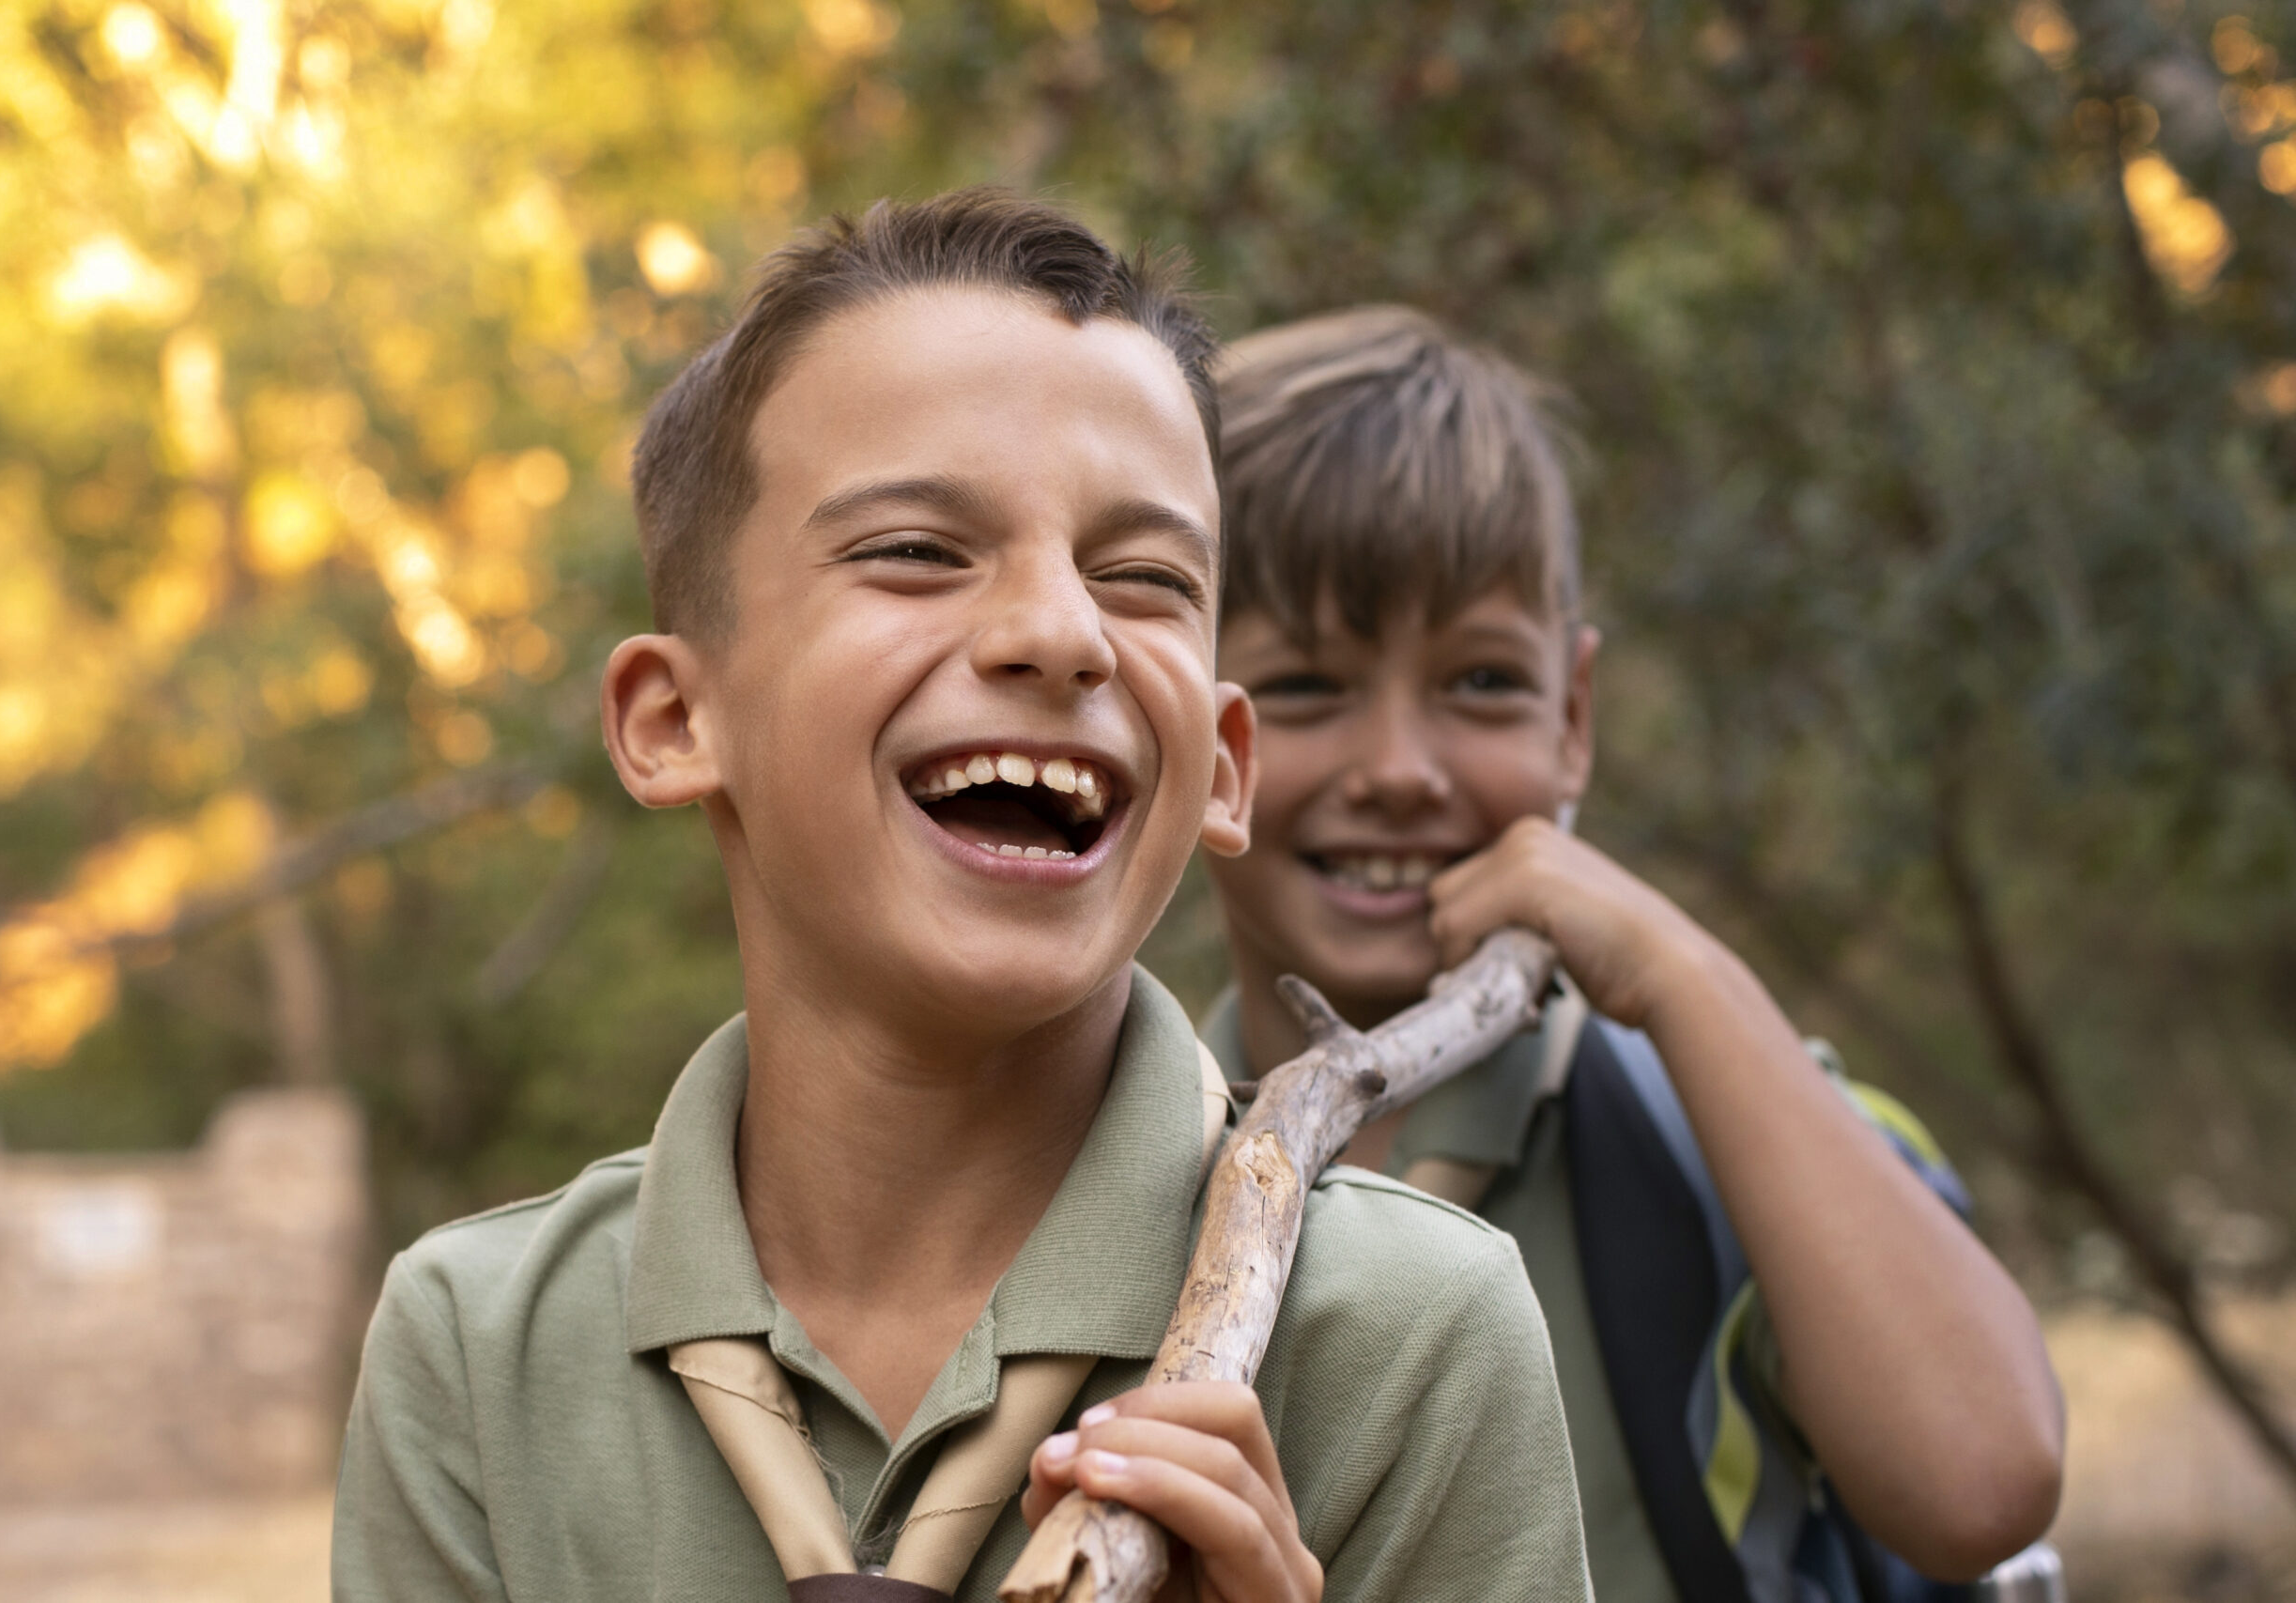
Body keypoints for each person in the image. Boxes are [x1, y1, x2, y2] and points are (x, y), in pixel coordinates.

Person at [331, 197, 1594, 1603]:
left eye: (1146, 578)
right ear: (676, 720)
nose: (1062, 632)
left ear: (1222, 767)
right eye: (918, 551)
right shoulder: (480, 1352)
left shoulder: (1414, 1335)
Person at [1198, 305, 2066, 1603]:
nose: (1400, 769)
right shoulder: (1124, 1147)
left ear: (1575, 716)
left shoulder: (1718, 1121)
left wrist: (1680, 973)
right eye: (1309, 688)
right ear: (1201, 727)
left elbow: (1983, 1487)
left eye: (1482, 683)